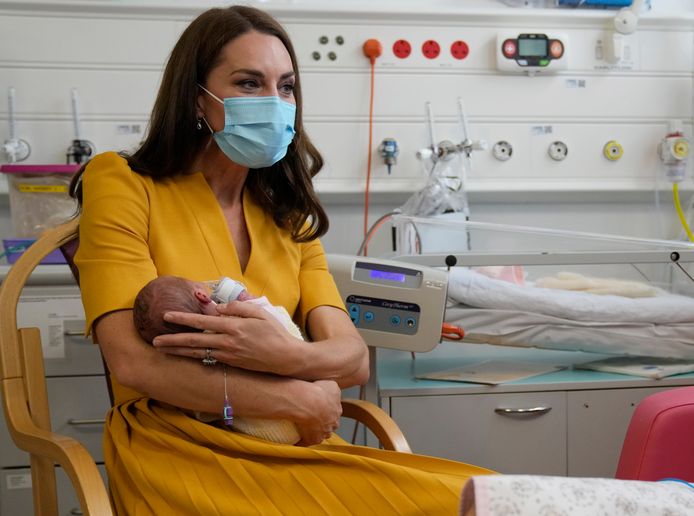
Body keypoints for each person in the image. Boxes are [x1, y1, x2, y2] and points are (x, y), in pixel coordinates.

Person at [71, 5, 494, 514]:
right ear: (196, 99)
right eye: (249, 83)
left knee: (481, 496)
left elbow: (353, 359)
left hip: (294, 443)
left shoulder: (286, 210)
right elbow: (133, 362)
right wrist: (289, 397)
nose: (274, 102)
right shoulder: (122, 182)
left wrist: (284, 357)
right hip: (178, 445)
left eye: (286, 86)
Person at [133, 274, 302, 444]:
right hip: (296, 413)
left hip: (260, 435)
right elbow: (280, 327)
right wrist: (249, 300)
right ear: (201, 296)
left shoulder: (187, 360)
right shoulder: (241, 320)